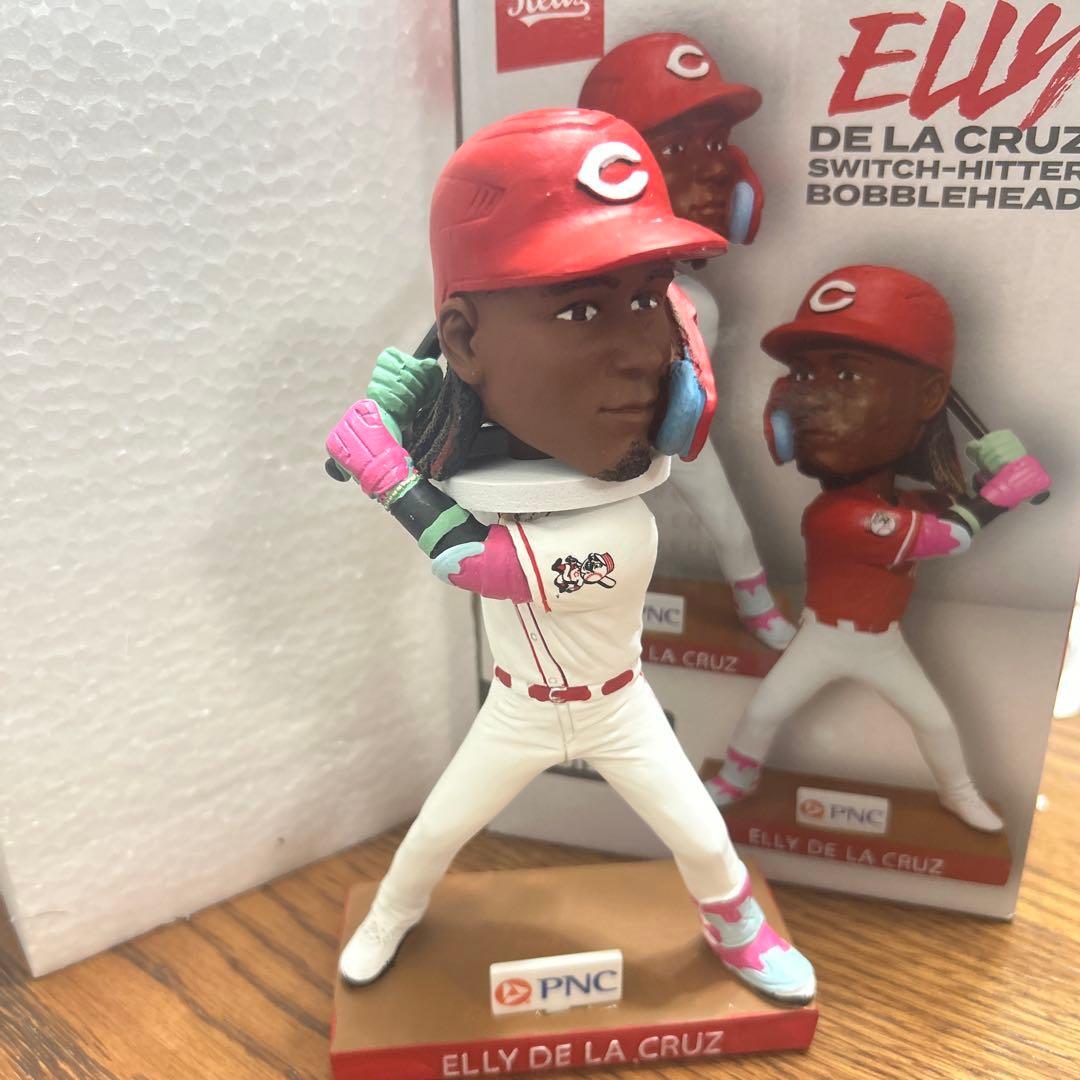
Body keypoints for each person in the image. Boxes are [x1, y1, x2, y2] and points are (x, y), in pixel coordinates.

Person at [325, 108, 815, 1004]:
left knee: (701, 837)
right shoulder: (493, 458)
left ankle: (737, 931)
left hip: (616, 710)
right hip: (517, 709)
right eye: (582, 308)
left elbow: (471, 562)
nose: (641, 353)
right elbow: (477, 492)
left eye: (647, 299)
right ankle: (393, 913)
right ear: (464, 343)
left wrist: (390, 477)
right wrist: (419, 406)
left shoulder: (620, 528)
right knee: (435, 832)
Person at [705, 265, 1051, 832]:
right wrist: (1003, 493)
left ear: (930, 396)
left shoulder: (902, 502)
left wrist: (993, 474)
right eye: (803, 373)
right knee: (766, 709)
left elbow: (946, 510)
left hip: (882, 644)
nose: (810, 399)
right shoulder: (836, 516)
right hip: (822, 638)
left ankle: (959, 794)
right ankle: (736, 779)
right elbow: (953, 536)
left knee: (934, 722)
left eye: (846, 373)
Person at [579, 32, 794, 649]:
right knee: (583, 539)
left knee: (726, 519)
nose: (717, 167)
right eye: (675, 145)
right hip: (584, 439)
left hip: (672, 431)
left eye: (717, 143)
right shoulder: (573, 282)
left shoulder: (694, 299)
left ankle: (754, 602)